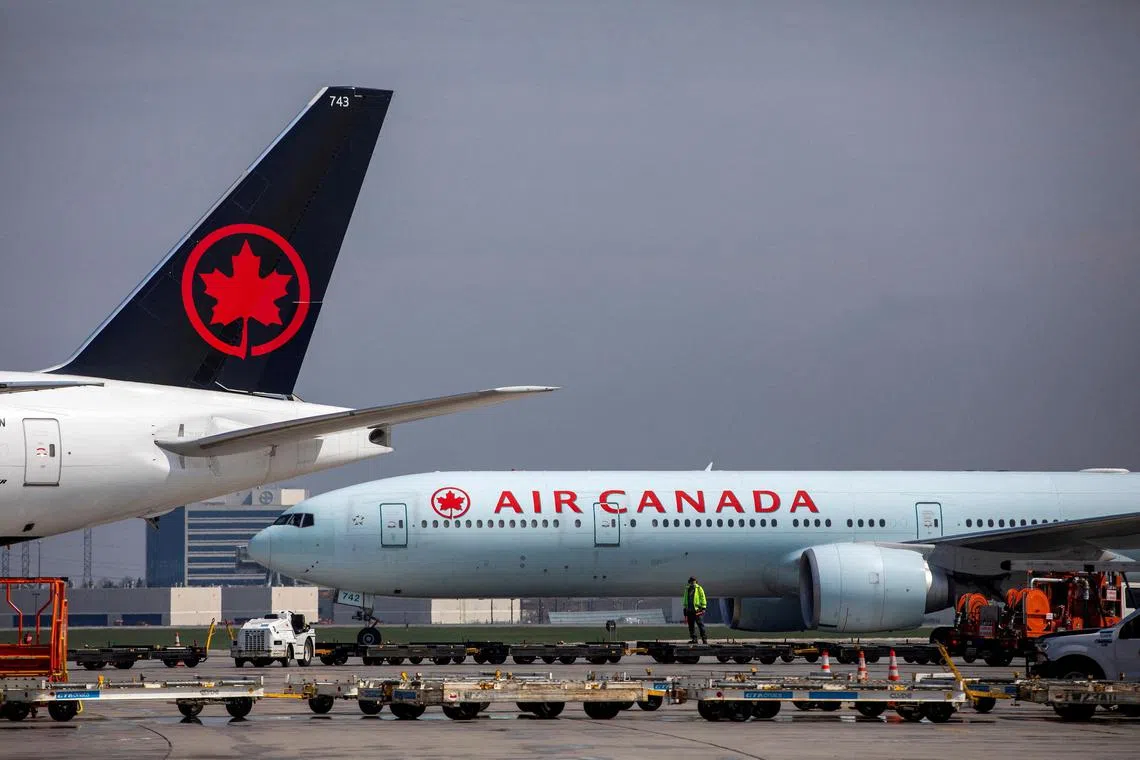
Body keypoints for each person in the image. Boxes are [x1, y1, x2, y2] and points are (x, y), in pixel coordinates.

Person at [683, 576, 707, 644]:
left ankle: (704, 639)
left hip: (697, 610)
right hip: (689, 610)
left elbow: (703, 597)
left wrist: (703, 607)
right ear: (690, 582)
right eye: (692, 581)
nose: (693, 582)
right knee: (691, 626)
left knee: (700, 625)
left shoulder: (699, 588)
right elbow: (685, 598)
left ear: (696, 582)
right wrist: (685, 608)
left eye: (694, 581)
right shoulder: (687, 589)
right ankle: (694, 639)